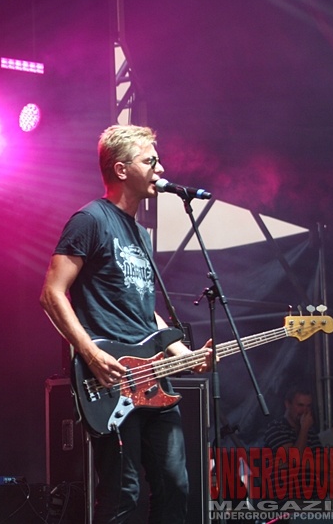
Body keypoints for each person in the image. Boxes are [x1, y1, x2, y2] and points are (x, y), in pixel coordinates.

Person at [39, 124, 212, 523]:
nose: (160, 168)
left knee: (175, 485)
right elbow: (51, 293)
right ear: (120, 169)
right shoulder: (90, 220)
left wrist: (182, 352)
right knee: (123, 492)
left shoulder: (141, 235)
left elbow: (144, 308)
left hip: (152, 378)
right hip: (111, 378)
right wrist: (90, 353)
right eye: (150, 160)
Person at [262, 386, 321, 502]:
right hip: (284, 502)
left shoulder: (311, 432)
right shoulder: (276, 428)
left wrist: (292, 464)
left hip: (312, 501)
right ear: (287, 404)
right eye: (300, 405)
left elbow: (322, 464)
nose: (305, 411)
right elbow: (295, 459)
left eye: (308, 406)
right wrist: (304, 429)